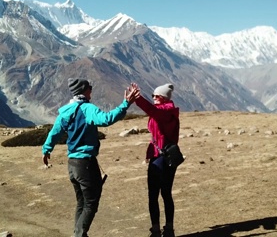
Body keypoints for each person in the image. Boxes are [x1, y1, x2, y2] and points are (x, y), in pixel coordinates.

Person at [42, 78, 140, 237]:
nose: (91, 91)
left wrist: (46, 149)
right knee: (91, 203)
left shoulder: (66, 111)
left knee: (82, 203)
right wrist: (125, 104)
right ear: (84, 90)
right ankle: (79, 235)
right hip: (85, 164)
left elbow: (55, 132)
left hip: (72, 165)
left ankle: (79, 233)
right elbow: (106, 119)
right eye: (90, 88)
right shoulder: (87, 109)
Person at [134, 83, 181, 237]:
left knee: (155, 194)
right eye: (153, 96)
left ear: (164, 97)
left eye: (156, 96)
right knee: (165, 193)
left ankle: (157, 230)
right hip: (163, 156)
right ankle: (168, 229)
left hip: (161, 157)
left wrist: (138, 98)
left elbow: (152, 110)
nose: (153, 98)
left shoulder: (165, 111)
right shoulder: (166, 111)